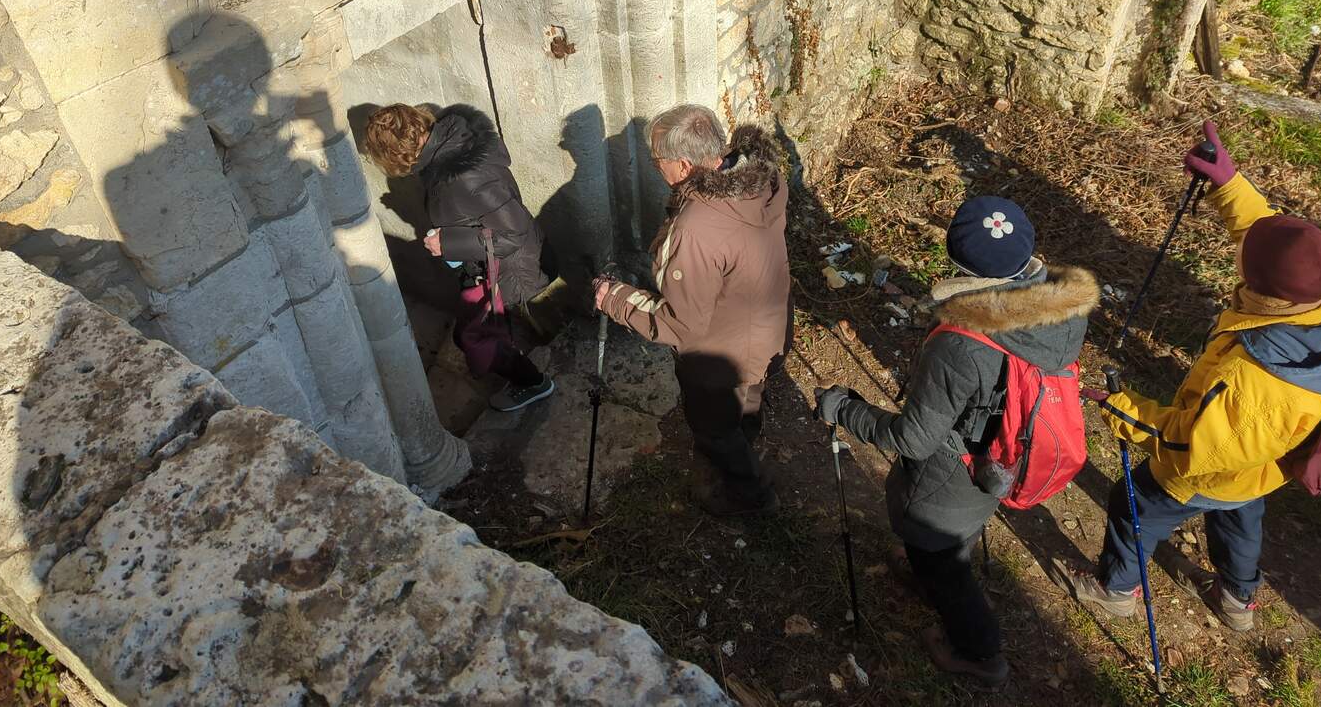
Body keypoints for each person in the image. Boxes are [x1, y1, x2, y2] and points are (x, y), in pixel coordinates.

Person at [1053, 121, 1321, 632]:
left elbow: (1192, 444)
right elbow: (1262, 236)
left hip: (1210, 464)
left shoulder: (1260, 380)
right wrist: (1229, 184)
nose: (1239, 257)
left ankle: (1114, 590)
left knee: (1132, 505)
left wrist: (1123, 411)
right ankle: (1237, 598)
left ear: (1264, 289)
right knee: (1241, 517)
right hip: (1258, 468)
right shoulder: (1320, 309)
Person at [816, 196, 1100, 688]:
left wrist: (846, 409)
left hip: (951, 481)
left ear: (960, 267)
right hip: (1002, 457)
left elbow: (914, 440)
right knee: (953, 543)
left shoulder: (962, 342)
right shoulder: (1064, 309)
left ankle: (979, 652)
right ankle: (944, 562)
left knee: (941, 565)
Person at [594, 104, 791, 517]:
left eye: (657, 160)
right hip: (768, 327)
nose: (655, 168)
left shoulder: (696, 228)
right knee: (749, 398)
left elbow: (679, 324)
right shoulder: (760, 176)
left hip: (722, 356)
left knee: (714, 429)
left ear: (683, 165)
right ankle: (747, 437)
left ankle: (750, 496)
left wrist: (615, 298)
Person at [362, 103, 555, 412]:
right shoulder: (454, 142)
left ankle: (533, 383)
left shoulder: (462, 176)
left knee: (473, 337)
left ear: (396, 156)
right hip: (484, 264)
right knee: (483, 330)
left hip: (503, 269)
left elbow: (513, 233)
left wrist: (447, 242)